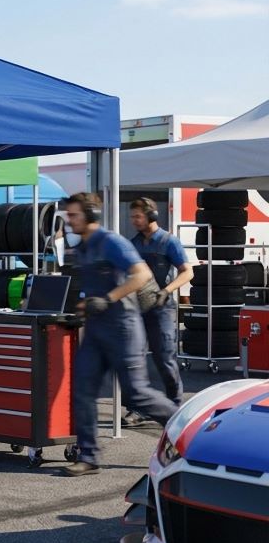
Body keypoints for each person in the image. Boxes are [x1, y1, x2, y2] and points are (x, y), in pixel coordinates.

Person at [62, 192, 178, 476]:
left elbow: (142, 275)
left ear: (91, 214)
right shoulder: (82, 247)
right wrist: (83, 305)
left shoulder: (111, 242)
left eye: (74, 215)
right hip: (96, 330)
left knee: (137, 394)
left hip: (123, 327)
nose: (69, 220)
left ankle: (186, 426)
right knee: (82, 390)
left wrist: (108, 299)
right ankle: (89, 457)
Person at [126, 197, 192, 427]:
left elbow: (187, 272)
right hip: (137, 308)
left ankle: (174, 406)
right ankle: (138, 409)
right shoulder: (133, 244)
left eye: (137, 216)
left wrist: (166, 291)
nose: (134, 221)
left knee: (164, 359)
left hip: (161, 309)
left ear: (151, 216)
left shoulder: (168, 241)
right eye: (132, 217)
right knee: (135, 360)